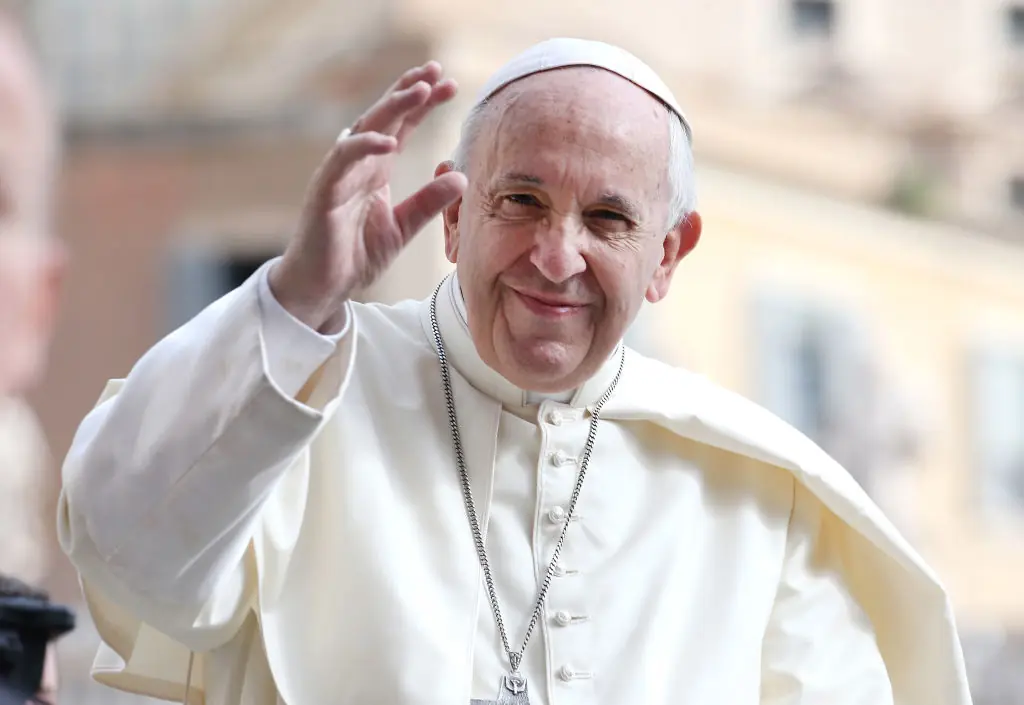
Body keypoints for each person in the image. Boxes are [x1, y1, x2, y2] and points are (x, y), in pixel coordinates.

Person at [57, 38, 972, 705]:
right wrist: (297, 298)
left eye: (608, 219)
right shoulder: (299, 389)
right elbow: (127, 550)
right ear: (456, 220)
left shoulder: (762, 491)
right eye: (522, 200)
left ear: (667, 254)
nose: (556, 256)